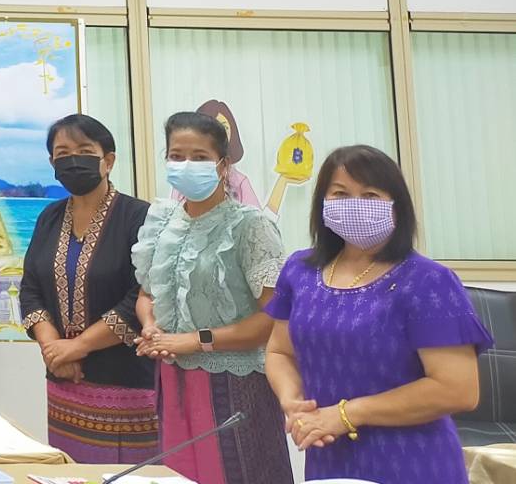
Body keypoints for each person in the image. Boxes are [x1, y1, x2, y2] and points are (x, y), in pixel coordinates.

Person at [265, 145, 489, 482]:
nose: (354, 204)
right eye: (340, 193)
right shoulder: (300, 269)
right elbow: (279, 352)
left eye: (370, 195)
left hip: (413, 461)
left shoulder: (429, 281)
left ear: (397, 206)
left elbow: (458, 389)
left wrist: (346, 414)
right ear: (322, 202)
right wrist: (292, 401)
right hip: (327, 453)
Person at [131, 111, 291, 484]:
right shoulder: (162, 220)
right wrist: (151, 327)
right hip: (173, 377)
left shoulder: (250, 225)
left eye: (200, 157)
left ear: (223, 164)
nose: (187, 165)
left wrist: (193, 341)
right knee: (178, 476)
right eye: (177, 156)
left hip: (235, 384)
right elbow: (146, 293)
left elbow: (274, 318)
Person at [18, 115, 157, 464]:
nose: (73, 160)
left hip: (125, 383)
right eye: (62, 153)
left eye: (83, 150)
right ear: (52, 163)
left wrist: (78, 347)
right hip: (63, 383)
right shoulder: (49, 217)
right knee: (71, 472)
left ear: (108, 160)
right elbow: (31, 288)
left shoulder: (140, 217)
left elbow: (142, 294)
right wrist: (54, 350)